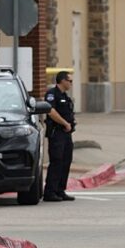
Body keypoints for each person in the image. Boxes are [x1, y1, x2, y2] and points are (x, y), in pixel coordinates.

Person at [43, 71, 76, 202]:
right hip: (57, 133)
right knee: (56, 161)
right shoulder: (52, 94)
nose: (71, 84)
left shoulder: (65, 96)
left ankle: (60, 190)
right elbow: (50, 111)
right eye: (70, 81)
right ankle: (50, 191)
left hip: (66, 133)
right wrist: (65, 123)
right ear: (62, 81)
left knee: (66, 161)